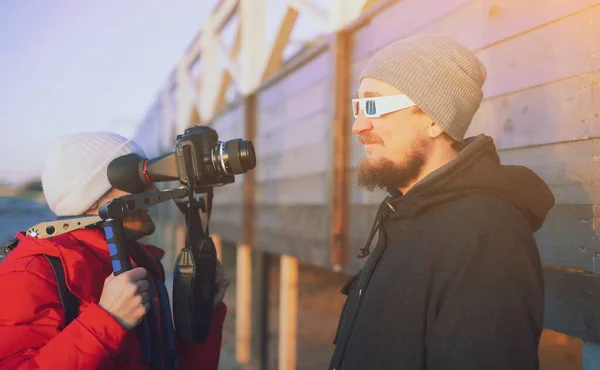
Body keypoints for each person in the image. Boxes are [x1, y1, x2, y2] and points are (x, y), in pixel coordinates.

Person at [329, 34, 555, 370]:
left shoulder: (486, 238)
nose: (358, 126)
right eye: (358, 107)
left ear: (436, 118)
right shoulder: (403, 215)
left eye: (373, 106)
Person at [0, 132, 230, 369]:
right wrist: (107, 321)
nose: (153, 193)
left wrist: (202, 317)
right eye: (138, 182)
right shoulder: (30, 273)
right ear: (91, 201)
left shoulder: (140, 262)